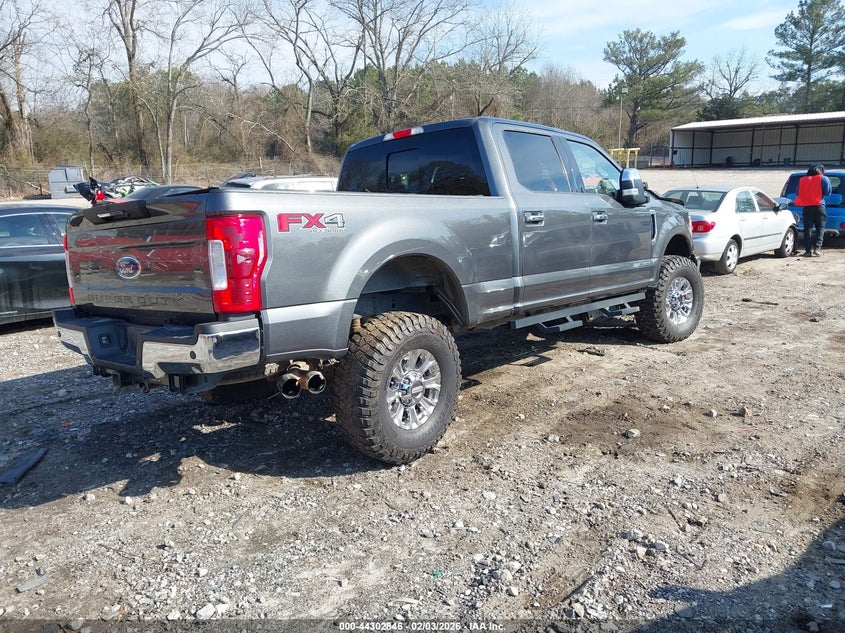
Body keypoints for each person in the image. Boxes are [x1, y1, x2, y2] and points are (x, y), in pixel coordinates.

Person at [792, 163, 832, 256]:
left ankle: (808, 251)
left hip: (807, 207)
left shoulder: (802, 180)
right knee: (820, 228)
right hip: (819, 206)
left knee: (807, 229)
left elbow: (798, 193)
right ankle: (817, 249)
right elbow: (828, 192)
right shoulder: (823, 178)